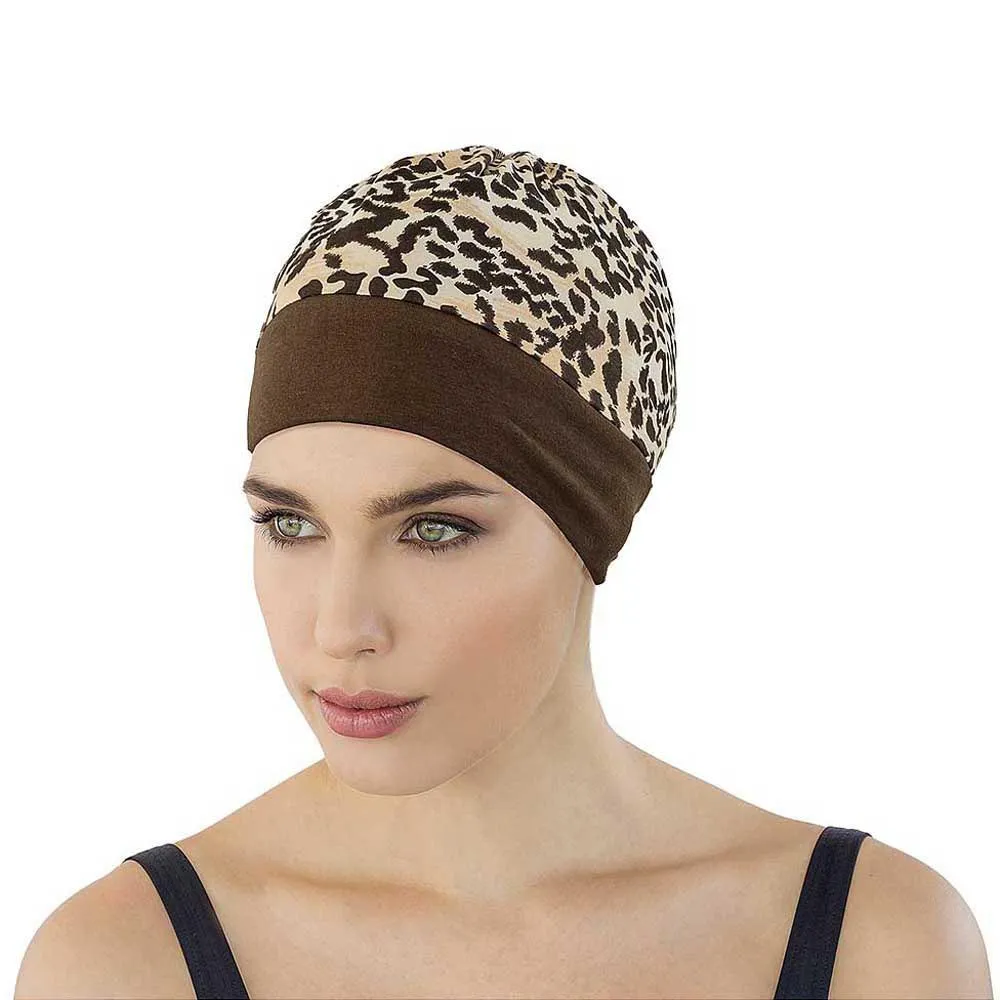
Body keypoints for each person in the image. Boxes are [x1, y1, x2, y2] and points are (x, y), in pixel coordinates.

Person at [15, 145, 992, 1000]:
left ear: (594, 518)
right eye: (290, 523)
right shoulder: (126, 962)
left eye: (433, 530)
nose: (339, 627)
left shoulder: (872, 944)